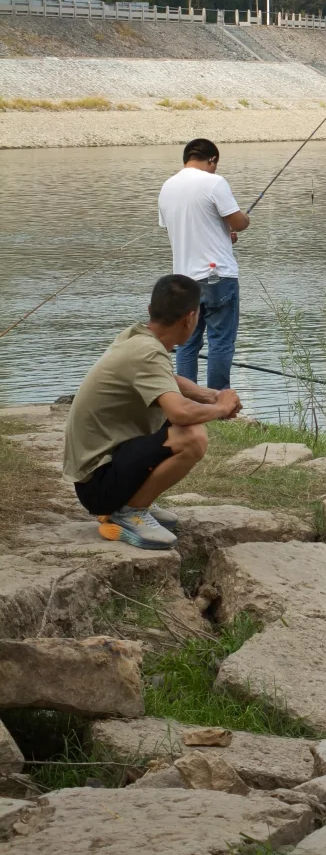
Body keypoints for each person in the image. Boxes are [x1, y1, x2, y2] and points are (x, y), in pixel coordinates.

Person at [62, 274, 243, 549]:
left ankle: (134, 502)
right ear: (191, 318)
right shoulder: (148, 352)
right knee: (192, 436)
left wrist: (212, 396)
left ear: (150, 311)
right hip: (96, 484)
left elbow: (167, 378)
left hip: (98, 472)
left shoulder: (137, 336)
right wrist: (220, 408)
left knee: (179, 425)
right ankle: (130, 512)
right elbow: (180, 413)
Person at [158, 137, 250, 390]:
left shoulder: (167, 187)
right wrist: (243, 221)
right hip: (218, 276)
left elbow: (180, 230)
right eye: (215, 164)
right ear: (212, 160)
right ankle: (219, 401)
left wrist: (222, 234)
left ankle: (188, 399)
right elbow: (239, 222)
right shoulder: (214, 182)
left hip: (183, 279)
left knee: (187, 343)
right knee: (220, 341)